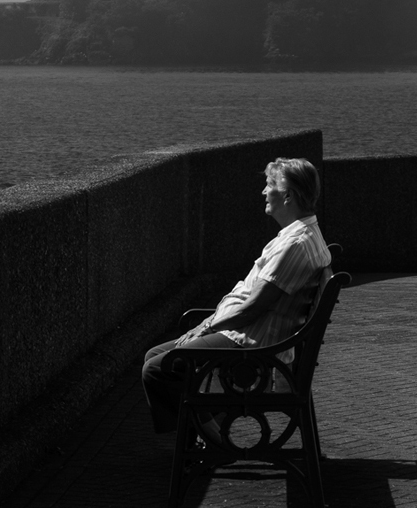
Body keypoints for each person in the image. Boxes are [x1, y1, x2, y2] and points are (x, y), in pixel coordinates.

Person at [141, 157, 332, 435]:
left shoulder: (295, 244)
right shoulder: (304, 234)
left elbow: (251, 309)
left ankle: (209, 438)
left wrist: (207, 326)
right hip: (250, 333)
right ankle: (201, 434)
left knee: (158, 369)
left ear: (288, 196)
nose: (264, 191)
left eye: (270, 185)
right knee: (155, 355)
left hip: (250, 343)